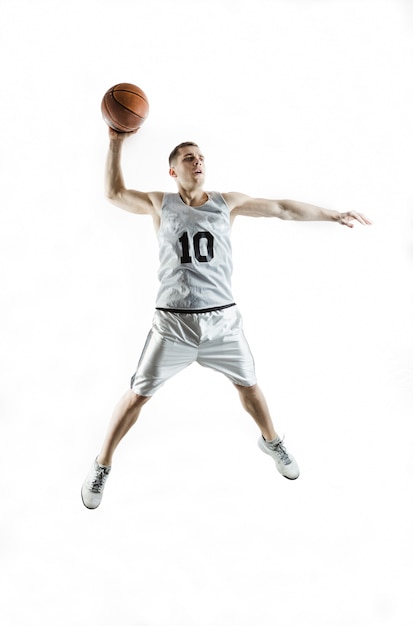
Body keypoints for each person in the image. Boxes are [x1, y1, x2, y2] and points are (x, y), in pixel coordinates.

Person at [81, 130, 371, 509]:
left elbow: (282, 208)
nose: (197, 162)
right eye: (188, 158)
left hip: (222, 322)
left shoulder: (226, 203)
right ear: (173, 171)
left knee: (249, 386)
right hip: (173, 324)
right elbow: (114, 193)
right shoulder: (160, 202)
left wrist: (333, 214)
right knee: (137, 395)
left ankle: (271, 442)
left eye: (200, 156)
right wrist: (116, 140)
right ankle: (102, 464)